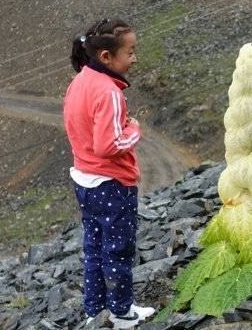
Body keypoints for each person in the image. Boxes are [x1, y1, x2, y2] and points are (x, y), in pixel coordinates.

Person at [63, 18, 155, 328]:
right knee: (118, 249)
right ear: (106, 57)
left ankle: (95, 310)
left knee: (94, 245)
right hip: (112, 183)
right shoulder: (109, 92)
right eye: (130, 52)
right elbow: (110, 144)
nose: (134, 58)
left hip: (84, 179)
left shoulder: (80, 81)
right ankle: (121, 313)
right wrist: (135, 130)